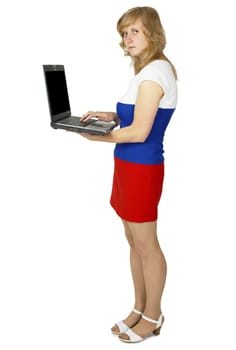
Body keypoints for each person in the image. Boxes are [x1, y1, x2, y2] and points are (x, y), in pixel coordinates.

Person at [79, 6, 178, 343]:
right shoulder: (146, 72)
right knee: (134, 243)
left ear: (152, 32)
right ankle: (138, 308)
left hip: (142, 168)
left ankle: (154, 314)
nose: (127, 38)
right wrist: (109, 115)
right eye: (124, 33)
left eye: (134, 31)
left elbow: (139, 132)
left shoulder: (155, 75)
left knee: (147, 245)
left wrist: (98, 136)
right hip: (127, 166)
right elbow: (133, 117)